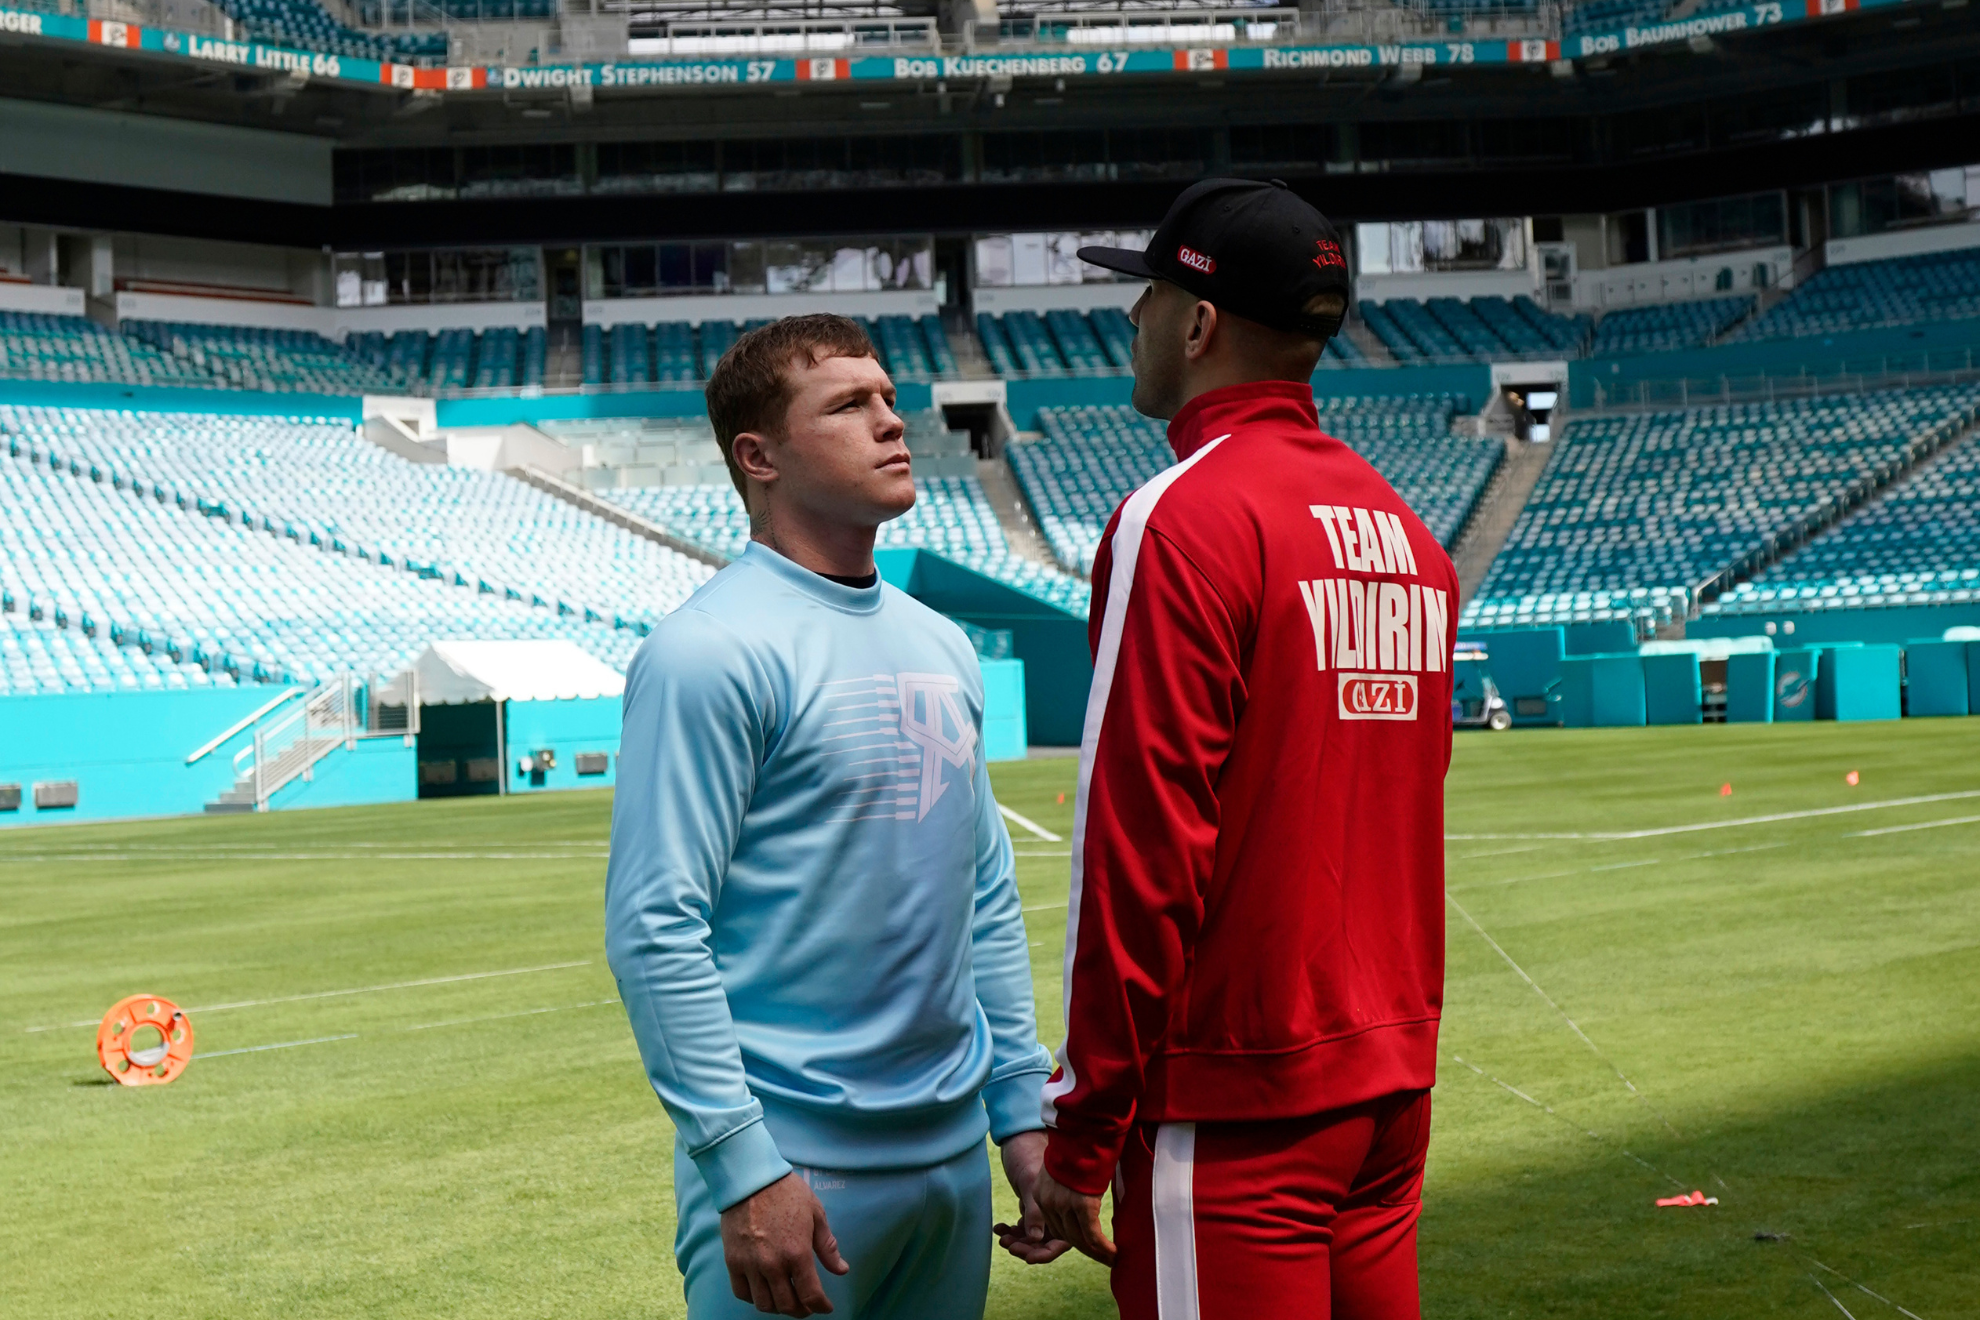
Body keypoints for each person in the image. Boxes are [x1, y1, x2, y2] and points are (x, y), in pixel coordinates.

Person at [1016, 180, 1458, 1319]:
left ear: (1198, 322)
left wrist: (1081, 1130)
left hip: (1239, 1097)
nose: (1132, 320)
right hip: (1388, 1085)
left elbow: (1143, 849)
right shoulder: (1408, 537)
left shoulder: (1181, 519)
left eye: (1148, 295)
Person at [606, 314, 1058, 1320]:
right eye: (850, 405)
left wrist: (1019, 1112)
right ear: (757, 456)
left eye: (890, 398)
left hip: (951, 1167)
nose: (893, 423)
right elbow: (654, 926)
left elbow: (980, 893)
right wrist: (742, 1166)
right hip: (794, 1173)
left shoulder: (943, 644)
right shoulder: (708, 651)